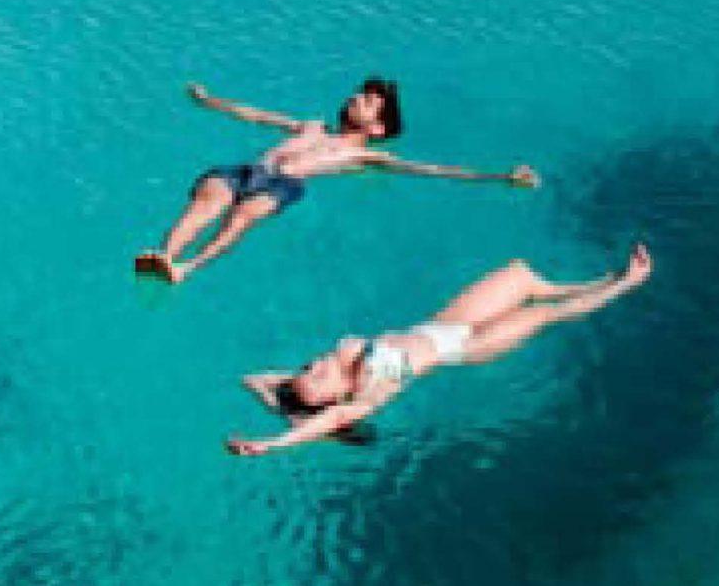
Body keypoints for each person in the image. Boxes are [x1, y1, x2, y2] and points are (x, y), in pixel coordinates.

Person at [228, 245, 651, 456]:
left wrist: (285, 399)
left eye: (308, 369)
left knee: (523, 277)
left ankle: (606, 277)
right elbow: (330, 420)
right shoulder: (362, 396)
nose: (313, 367)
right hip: (466, 347)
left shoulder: (332, 366)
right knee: (543, 314)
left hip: (442, 323)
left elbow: (254, 378)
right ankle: (625, 284)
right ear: (331, 401)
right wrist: (275, 442)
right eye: (314, 379)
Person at [134, 79, 540, 285]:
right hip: (251, 170)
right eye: (357, 94)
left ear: (379, 128)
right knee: (208, 197)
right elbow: (255, 115)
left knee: (241, 216)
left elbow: (430, 169)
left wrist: (501, 177)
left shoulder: (364, 155)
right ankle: (166, 254)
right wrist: (209, 101)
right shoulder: (310, 125)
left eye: (366, 101)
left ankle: (187, 268)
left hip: (283, 185)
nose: (354, 100)